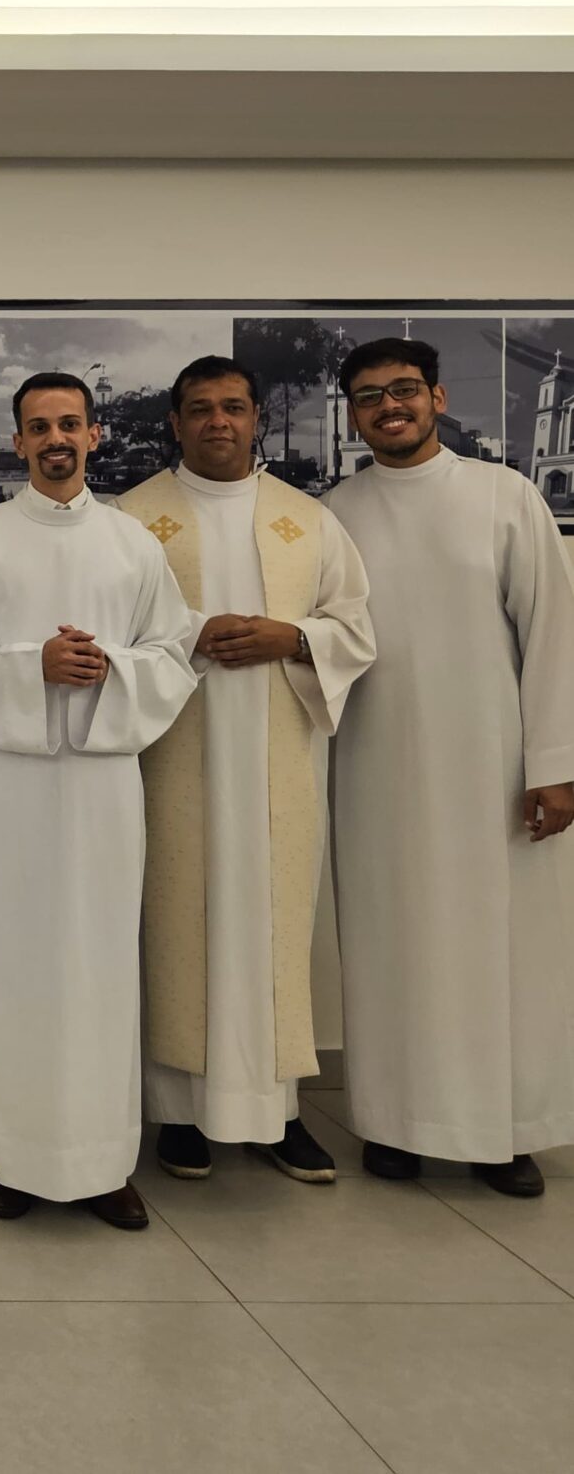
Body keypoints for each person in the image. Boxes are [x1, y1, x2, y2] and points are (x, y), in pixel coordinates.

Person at [0, 373, 195, 1229]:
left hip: (103, 791)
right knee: (11, 964)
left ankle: (104, 1166)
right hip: (9, 791)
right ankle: (15, 1159)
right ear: (17, 440)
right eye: (39, 427)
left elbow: (175, 653)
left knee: (99, 967)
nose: (56, 439)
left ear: (95, 434)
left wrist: (109, 663)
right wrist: (29, 666)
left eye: (70, 423)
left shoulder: (132, 544)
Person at [326, 336, 574, 1197]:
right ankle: (394, 1125)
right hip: (373, 764)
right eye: (368, 397)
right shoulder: (336, 511)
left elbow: (551, 636)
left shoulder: (504, 497)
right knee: (390, 941)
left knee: (499, 948)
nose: (388, 408)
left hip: (491, 764)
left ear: (436, 398)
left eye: (403, 391)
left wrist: (555, 762)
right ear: (353, 413)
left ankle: (504, 1132)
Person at [119, 356, 374, 1184]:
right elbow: (104, 625)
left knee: (271, 929)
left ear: (256, 416)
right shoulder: (132, 518)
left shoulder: (308, 518)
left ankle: (275, 1115)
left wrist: (292, 639)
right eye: (200, 409)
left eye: (232, 407)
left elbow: (354, 627)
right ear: (175, 422)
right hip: (172, 756)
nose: (217, 422)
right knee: (174, 919)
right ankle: (179, 1118)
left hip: (277, 760)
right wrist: (191, 632)